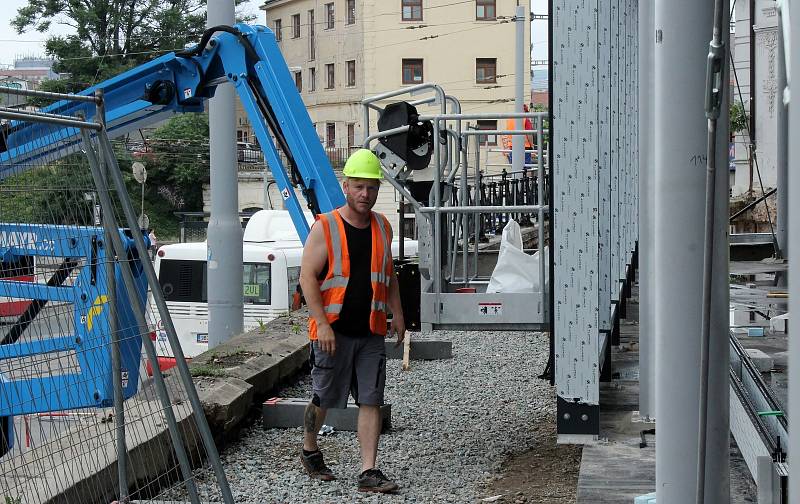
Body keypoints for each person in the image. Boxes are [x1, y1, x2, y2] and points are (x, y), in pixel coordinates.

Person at [298, 148, 405, 494]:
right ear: (346, 186)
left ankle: (368, 471)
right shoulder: (325, 227)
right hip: (333, 332)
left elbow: (388, 275)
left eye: (372, 187)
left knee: (371, 398)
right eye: (359, 187)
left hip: (370, 331)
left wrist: (399, 313)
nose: (365, 194)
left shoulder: (383, 227)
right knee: (324, 397)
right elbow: (306, 279)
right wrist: (323, 324)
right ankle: (310, 448)